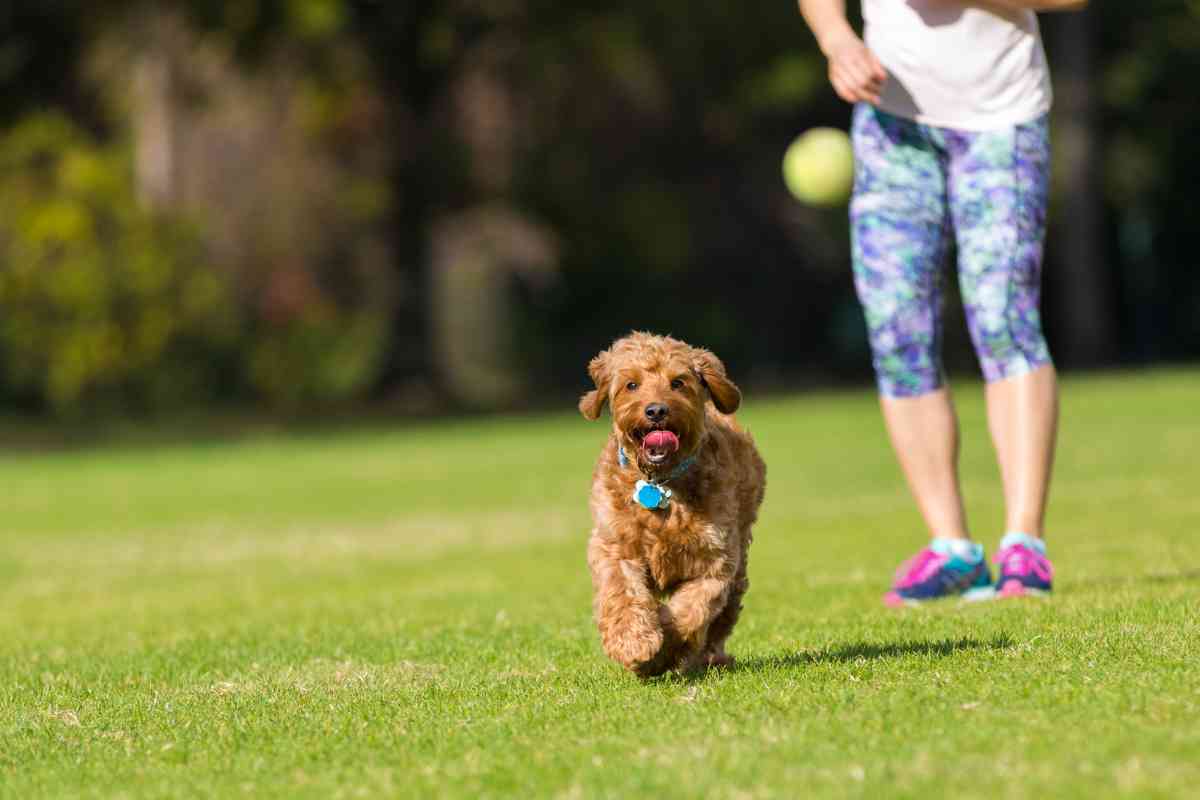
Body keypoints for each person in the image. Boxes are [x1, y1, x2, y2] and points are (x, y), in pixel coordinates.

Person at [797, 0, 1088, 604]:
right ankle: (950, 546)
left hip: (1001, 119)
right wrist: (838, 40)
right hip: (891, 125)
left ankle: (1024, 546)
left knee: (1004, 319)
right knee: (896, 331)